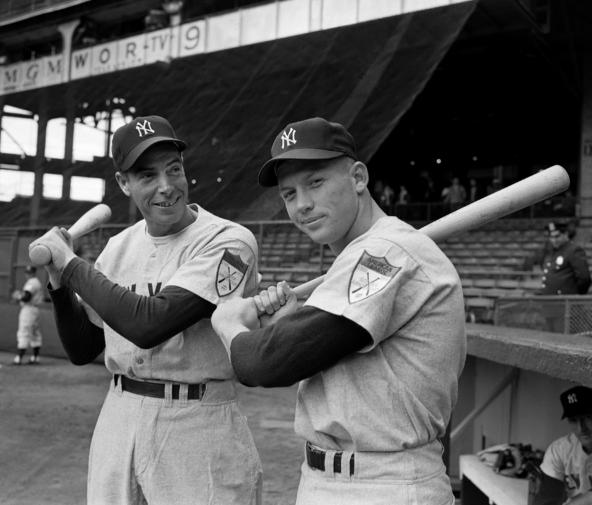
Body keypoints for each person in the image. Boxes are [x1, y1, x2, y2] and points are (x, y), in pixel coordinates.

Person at [211, 117, 466, 505]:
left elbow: (263, 364)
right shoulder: (360, 257)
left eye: (316, 182)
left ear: (358, 178)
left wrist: (228, 323)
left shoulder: (386, 252)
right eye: (289, 194)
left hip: (386, 483)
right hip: (327, 477)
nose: (303, 205)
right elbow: (318, 355)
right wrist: (293, 323)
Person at [30, 115, 262, 505]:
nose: (166, 187)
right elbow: (82, 348)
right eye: (147, 176)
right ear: (124, 183)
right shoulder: (118, 247)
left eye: (174, 170)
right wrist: (58, 280)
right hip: (118, 416)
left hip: (196, 420)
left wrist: (72, 264)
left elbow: (150, 324)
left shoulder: (230, 242)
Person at [534, 385, 592, 505]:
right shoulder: (559, 451)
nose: (581, 429)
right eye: (573, 420)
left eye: (588, 418)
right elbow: (547, 500)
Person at [538, 221, 591, 296]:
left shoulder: (574, 250)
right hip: (549, 300)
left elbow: (584, 278)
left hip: (566, 301)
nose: (554, 240)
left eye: (557, 236)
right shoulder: (552, 251)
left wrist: (574, 293)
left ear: (565, 234)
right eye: (551, 237)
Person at [12, 265, 44, 365]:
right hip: (34, 309)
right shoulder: (35, 282)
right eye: (27, 272)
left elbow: (26, 297)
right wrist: (21, 295)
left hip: (29, 309)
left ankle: (18, 358)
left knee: (24, 331)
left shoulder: (32, 282)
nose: (27, 274)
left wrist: (18, 296)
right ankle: (35, 357)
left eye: (29, 272)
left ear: (33, 273)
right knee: (34, 333)